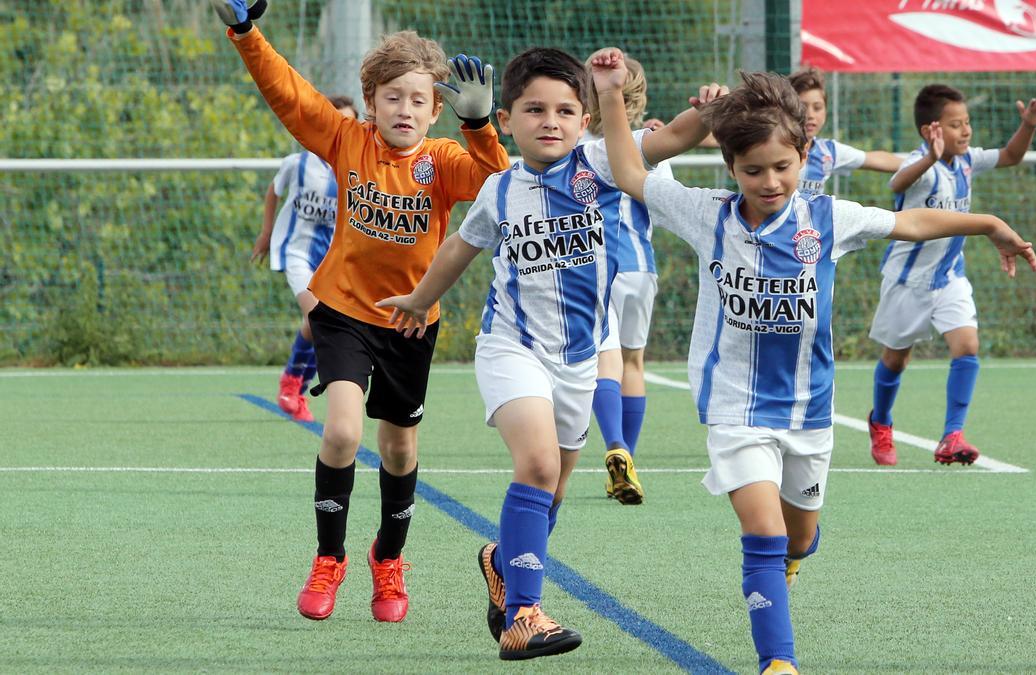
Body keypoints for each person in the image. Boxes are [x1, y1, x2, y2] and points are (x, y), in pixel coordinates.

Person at [593, 51, 1036, 674]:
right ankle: (779, 662)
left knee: (799, 537)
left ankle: (791, 566)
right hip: (734, 406)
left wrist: (988, 222)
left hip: (808, 411)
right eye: (753, 171)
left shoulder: (829, 218)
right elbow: (629, 172)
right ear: (731, 167)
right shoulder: (706, 215)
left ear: (805, 158)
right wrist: (610, 95)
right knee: (765, 536)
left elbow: (910, 220)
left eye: (782, 167)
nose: (770, 182)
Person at [374, 47, 718, 660]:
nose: (550, 121)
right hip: (513, 347)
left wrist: (714, 111)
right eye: (534, 109)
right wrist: (419, 299)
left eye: (565, 110)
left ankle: (501, 561)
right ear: (506, 120)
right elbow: (459, 248)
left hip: (580, 359)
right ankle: (525, 616)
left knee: (553, 493)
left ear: (585, 120)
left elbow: (671, 141)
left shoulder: (602, 165)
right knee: (534, 467)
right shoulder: (500, 189)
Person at [211, 0, 510, 622]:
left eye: (419, 100)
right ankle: (329, 558)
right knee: (343, 432)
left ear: (437, 109)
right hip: (343, 311)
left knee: (399, 451)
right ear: (370, 102)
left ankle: (388, 558)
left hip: (409, 323)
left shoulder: (446, 162)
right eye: (392, 97)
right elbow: (290, 94)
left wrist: (482, 129)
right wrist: (245, 32)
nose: (405, 109)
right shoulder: (347, 140)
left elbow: (497, 191)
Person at [866, 84, 1036, 466]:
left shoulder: (967, 160)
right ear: (930, 131)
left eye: (966, 123)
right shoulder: (920, 165)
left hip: (949, 276)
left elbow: (1011, 156)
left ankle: (953, 435)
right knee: (896, 360)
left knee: (967, 345)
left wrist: (1029, 126)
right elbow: (895, 184)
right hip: (907, 279)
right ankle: (881, 422)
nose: (965, 131)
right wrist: (929, 158)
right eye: (955, 125)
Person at [581, 52, 671, 505]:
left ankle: (614, 442)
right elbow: (664, 202)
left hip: (593, 269)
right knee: (633, 363)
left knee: (605, 363)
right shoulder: (652, 145)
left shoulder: (575, 144)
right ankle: (627, 460)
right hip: (639, 267)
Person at [251, 95, 358, 423]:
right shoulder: (297, 164)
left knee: (320, 321)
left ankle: (295, 386)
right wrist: (267, 232)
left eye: (347, 122)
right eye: (333, 120)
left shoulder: (354, 168)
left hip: (333, 259)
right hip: (297, 253)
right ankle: (293, 383)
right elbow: (274, 190)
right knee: (319, 316)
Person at [787, 65, 901, 198]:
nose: (810, 115)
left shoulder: (828, 151)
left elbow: (873, 159)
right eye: (803, 107)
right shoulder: (776, 149)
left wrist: (922, 163)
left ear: (825, 111)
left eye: (817, 108)